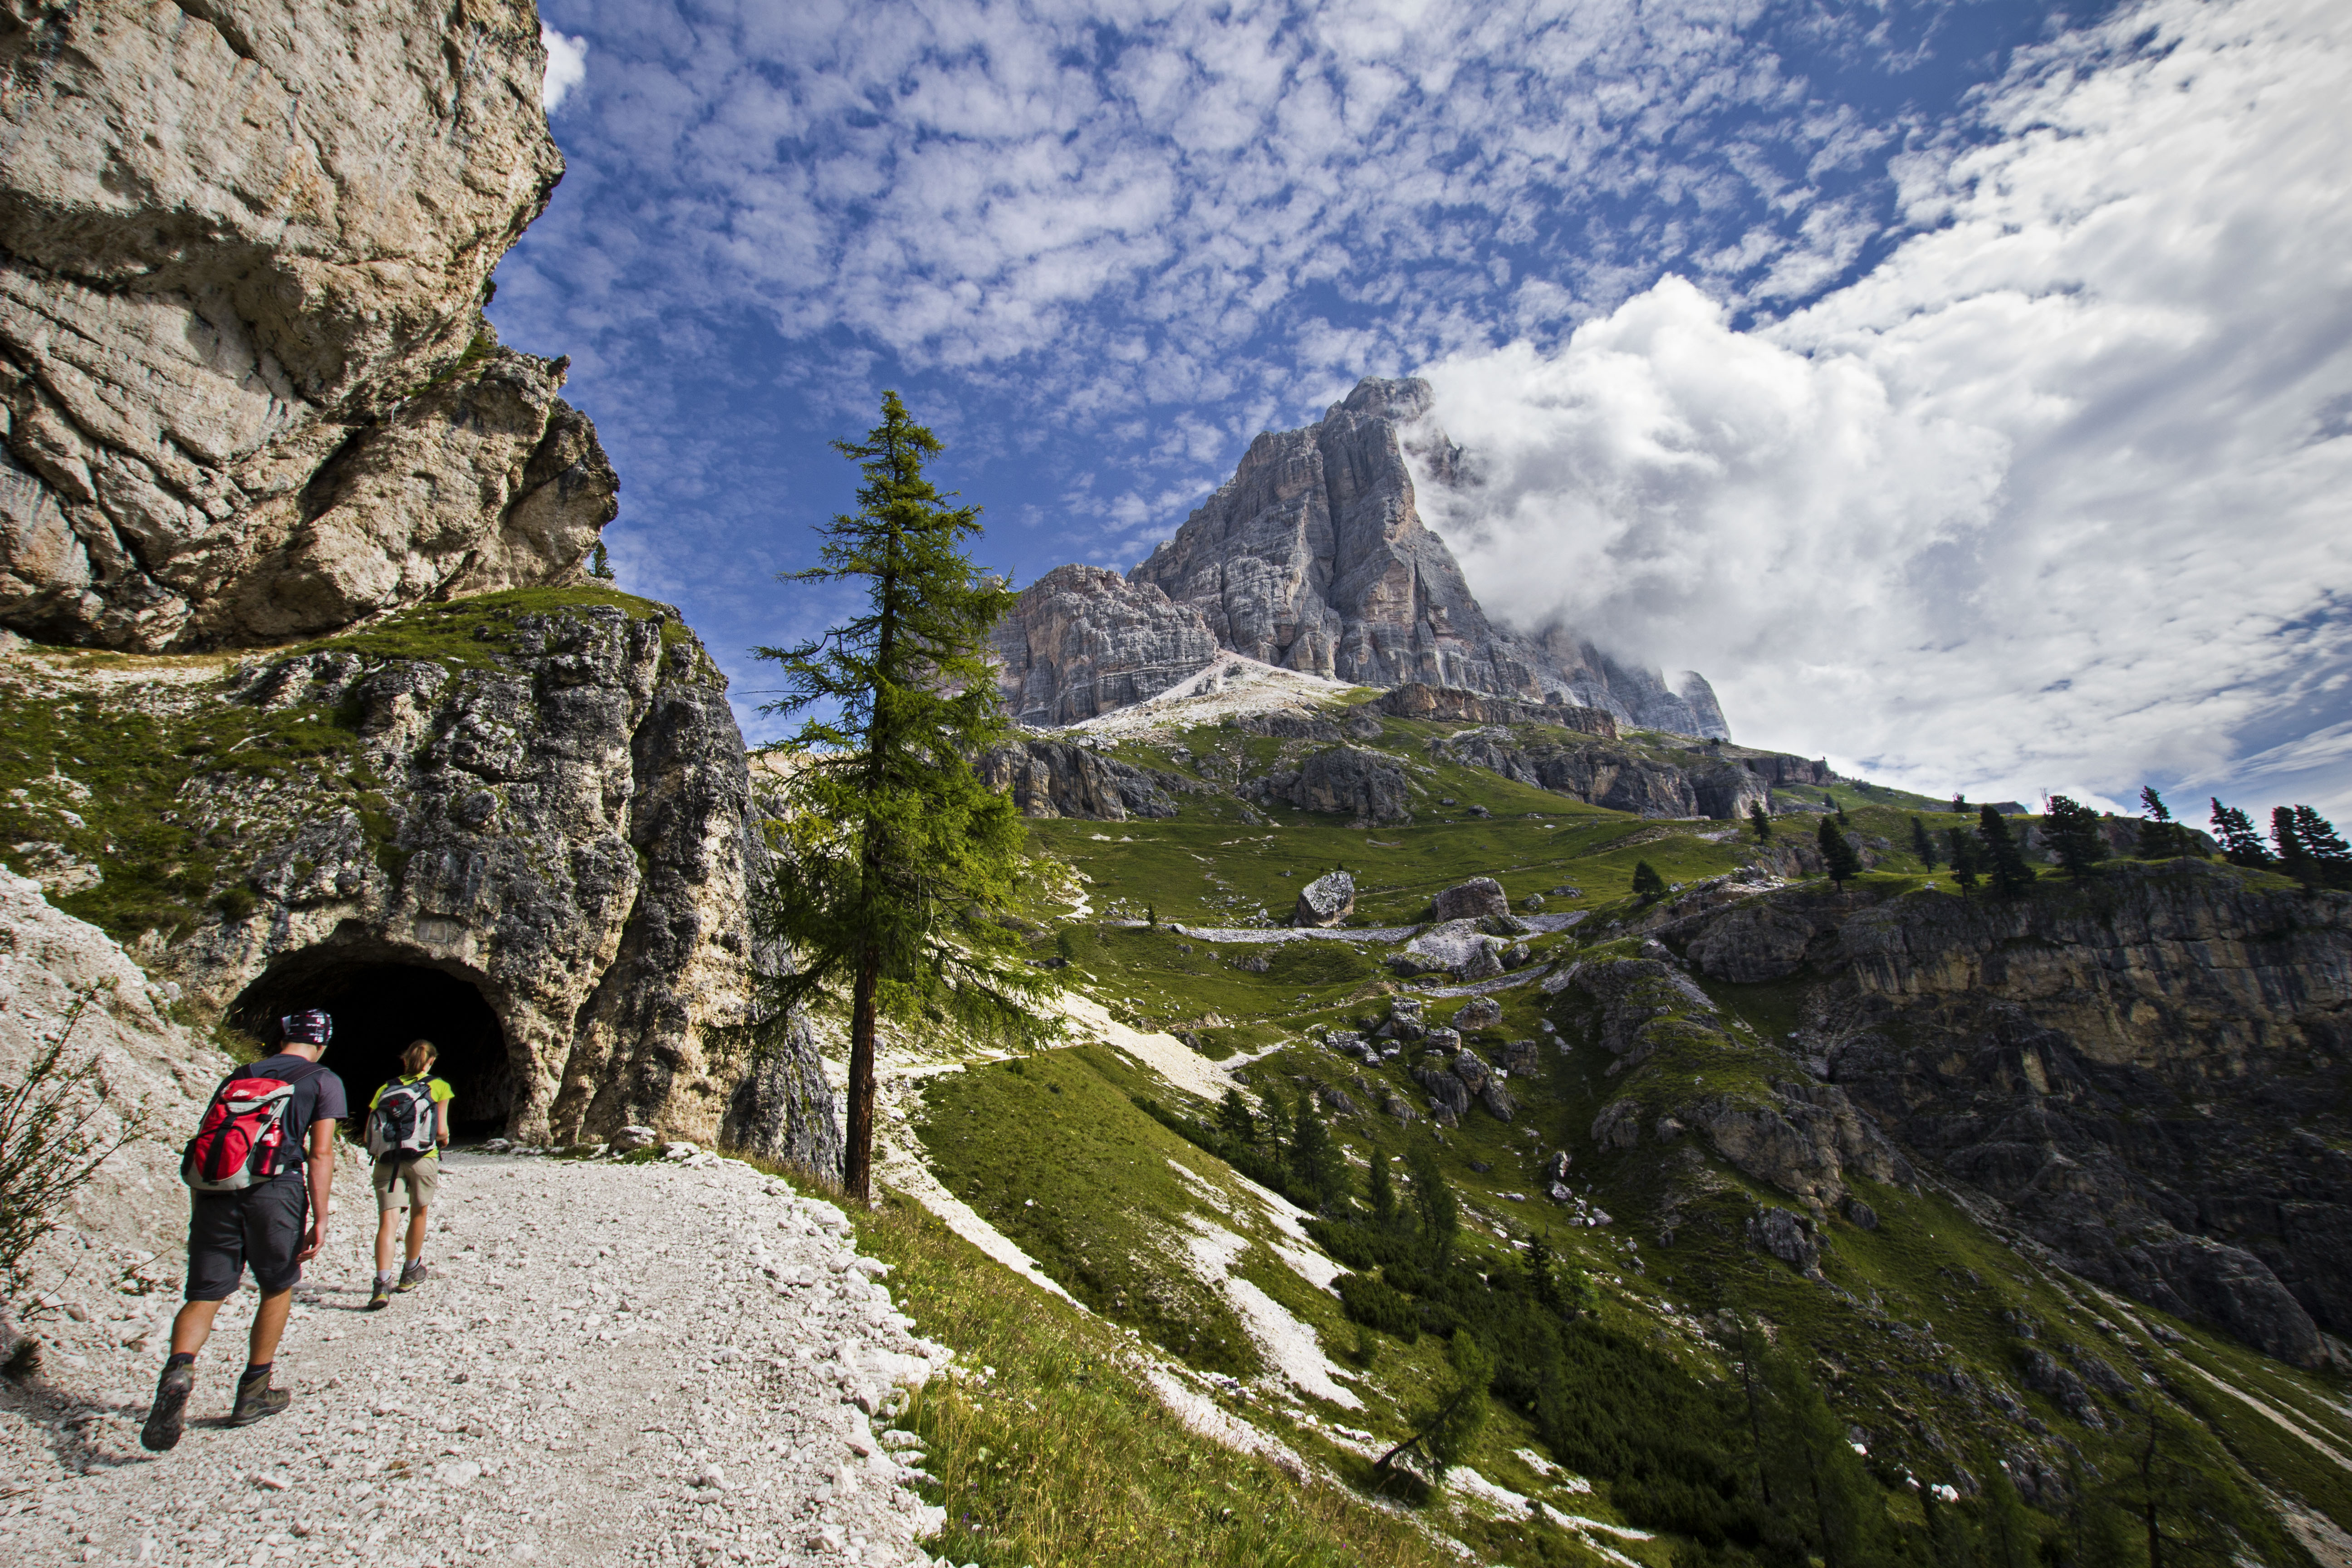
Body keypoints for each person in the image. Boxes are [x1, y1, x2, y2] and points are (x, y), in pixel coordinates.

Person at [142, 1009, 345, 1451]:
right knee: (276, 1285)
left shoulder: (242, 1074)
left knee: (204, 1294)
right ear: (323, 1043)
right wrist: (321, 1216)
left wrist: (202, 1202)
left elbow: (208, 1136)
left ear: (284, 1035)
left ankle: (179, 1369)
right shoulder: (323, 1079)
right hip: (277, 1192)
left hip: (217, 1188)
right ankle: (254, 1390)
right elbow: (321, 1153)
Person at [365, 1039, 455, 1310]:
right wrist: (445, 1141)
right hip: (421, 1160)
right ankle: (410, 1271)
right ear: (432, 1061)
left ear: (405, 1060)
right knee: (418, 1212)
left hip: (387, 1163)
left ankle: (381, 1285)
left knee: (387, 1222)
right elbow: (440, 1131)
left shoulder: (386, 1088)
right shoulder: (439, 1086)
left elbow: (369, 1131)